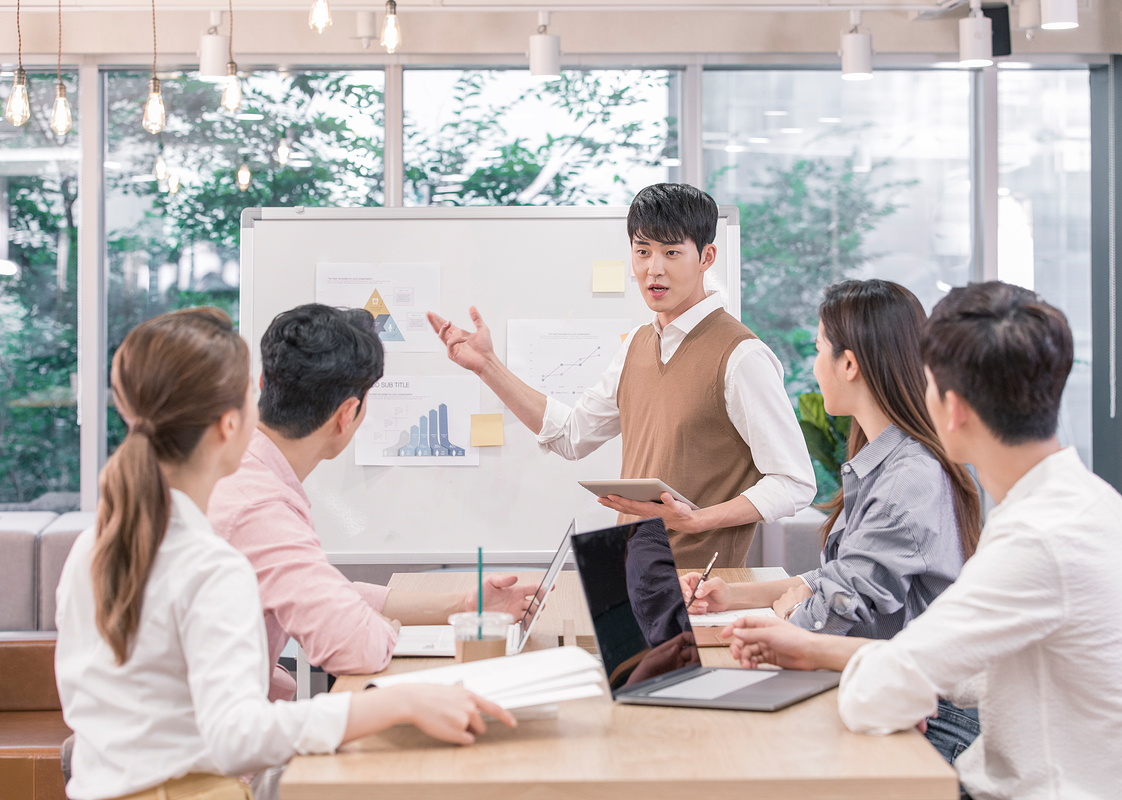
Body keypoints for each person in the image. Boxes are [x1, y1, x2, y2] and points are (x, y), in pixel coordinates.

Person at [723, 282, 1122, 799]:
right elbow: (973, 667)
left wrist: (883, 676)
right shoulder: (1084, 504)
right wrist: (848, 660)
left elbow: (875, 696)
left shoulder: (1037, 538)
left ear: (953, 407)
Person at [55, 308, 514, 800]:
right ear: (230, 423)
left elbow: (309, 587)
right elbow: (237, 735)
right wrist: (398, 702)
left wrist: (458, 604)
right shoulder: (223, 551)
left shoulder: (98, 543)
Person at [427, 183, 816, 568]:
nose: (653, 269)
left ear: (706, 257)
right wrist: (487, 365)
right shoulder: (636, 345)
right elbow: (571, 436)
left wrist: (698, 520)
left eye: (671, 252)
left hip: (701, 588)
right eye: (642, 251)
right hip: (627, 575)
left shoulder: (742, 356)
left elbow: (794, 482)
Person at [681, 279, 983, 764]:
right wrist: (732, 595)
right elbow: (837, 580)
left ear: (849, 364)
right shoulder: (885, 462)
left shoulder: (908, 480)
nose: (814, 366)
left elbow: (821, 622)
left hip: (932, 721)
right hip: (888, 695)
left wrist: (792, 613)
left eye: (820, 348)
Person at [207, 303, 537, 702]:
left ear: (264, 382)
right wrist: (382, 627)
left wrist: (465, 605)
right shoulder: (260, 508)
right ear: (347, 414)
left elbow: (323, 592)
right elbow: (355, 645)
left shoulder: (241, 470)